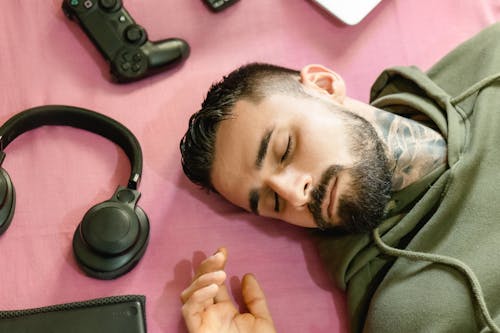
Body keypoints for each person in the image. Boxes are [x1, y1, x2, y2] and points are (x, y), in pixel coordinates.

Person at [179, 23, 500, 333]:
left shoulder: (491, 56)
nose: (296, 196)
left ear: (324, 86)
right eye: (273, 201)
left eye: (284, 149)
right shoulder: (410, 310)